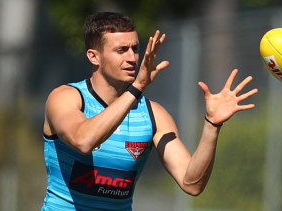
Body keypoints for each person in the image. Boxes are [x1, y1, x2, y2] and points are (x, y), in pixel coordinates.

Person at [41, 11, 258, 211]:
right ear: (93, 56)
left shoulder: (153, 115)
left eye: (135, 48)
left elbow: (191, 184)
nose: (132, 57)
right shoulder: (67, 98)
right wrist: (136, 88)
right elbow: (83, 140)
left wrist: (212, 124)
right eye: (121, 50)